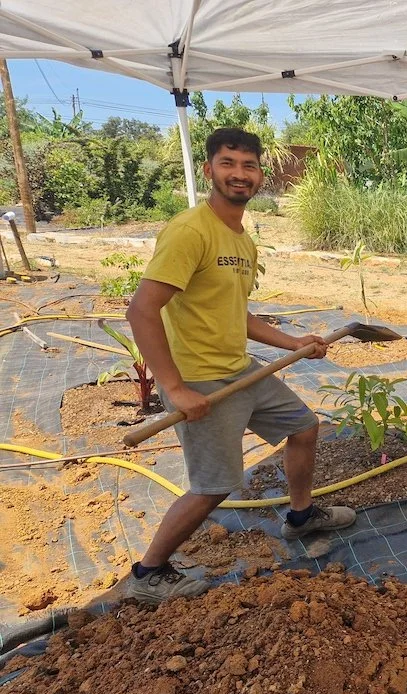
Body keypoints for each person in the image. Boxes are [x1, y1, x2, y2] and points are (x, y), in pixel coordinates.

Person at [124, 128, 356, 604]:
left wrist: (293, 341)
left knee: (305, 426)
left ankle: (299, 516)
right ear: (209, 170)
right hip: (201, 379)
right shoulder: (190, 231)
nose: (239, 174)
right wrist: (175, 387)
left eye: (248, 166)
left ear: (259, 176)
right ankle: (149, 573)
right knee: (213, 487)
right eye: (228, 163)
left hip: (241, 369)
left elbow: (238, 313)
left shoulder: (241, 240)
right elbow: (141, 310)